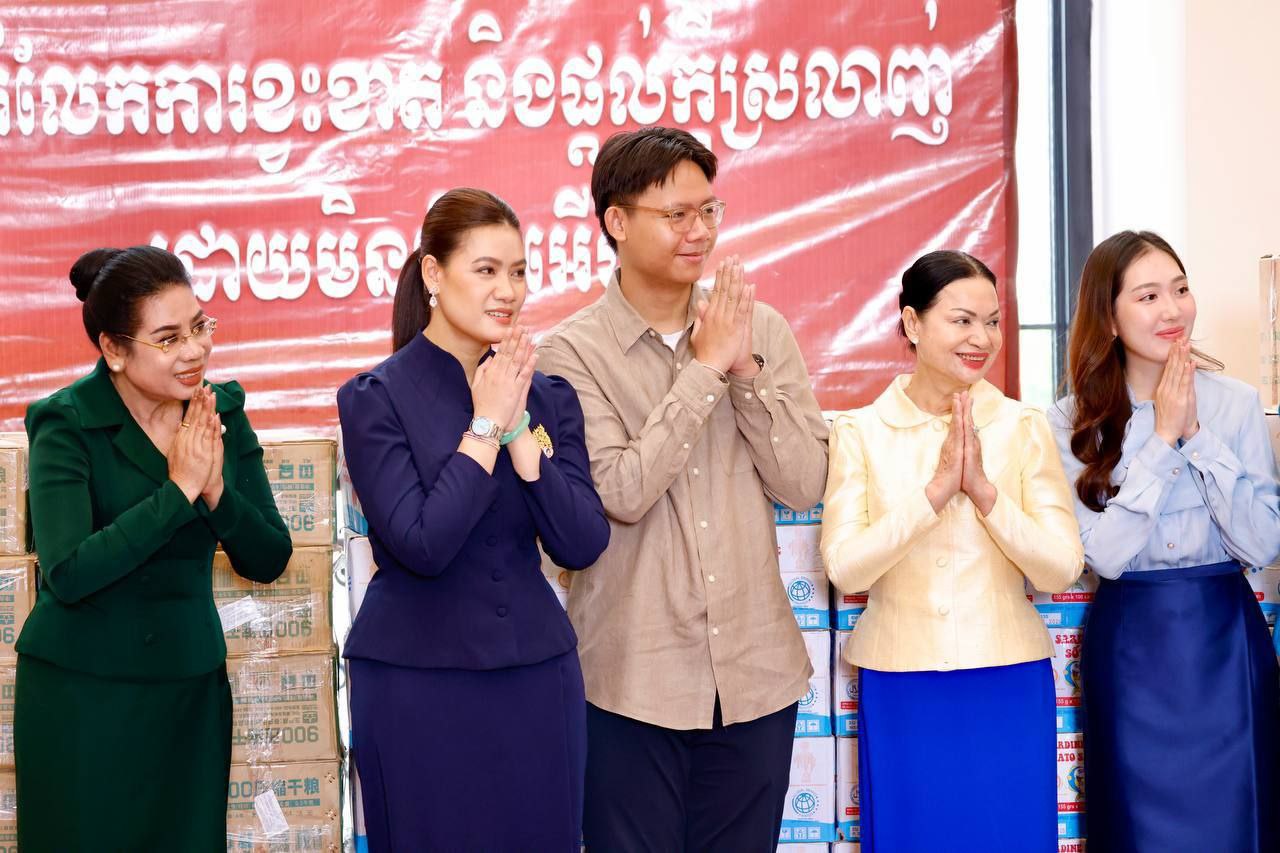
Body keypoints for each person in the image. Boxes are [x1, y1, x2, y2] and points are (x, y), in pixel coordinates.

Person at [536, 126, 829, 851]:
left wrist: (745, 369)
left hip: (755, 676)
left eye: (709, 211)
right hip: (631, 682)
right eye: (676, 215)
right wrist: (704, 369)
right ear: (617, 221)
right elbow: (621, 490)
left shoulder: (760, 329)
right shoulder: (569, 353)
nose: (699, 231)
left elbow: (804, 481)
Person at [338, 188, 609, 851]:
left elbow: (581, 541)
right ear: (433, 274)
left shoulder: (548, 396)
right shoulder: (375, 398)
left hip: (536, 678)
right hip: (415, 684)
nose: (507, 290)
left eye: (518, 271)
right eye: (486, 270)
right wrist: (484, 426)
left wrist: (520, 433)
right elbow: (422, 544)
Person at [15, 246, 292, 850]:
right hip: (83, 694)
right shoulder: (66, 422)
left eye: (199, 327)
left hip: (188, 692)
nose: (194, 350)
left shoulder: (220, 411)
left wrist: (217, 493)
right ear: (114, 349)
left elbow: (270, 557)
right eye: (168, 339)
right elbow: (69, 571)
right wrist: (178, 492)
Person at [820, 250, 1083, 852]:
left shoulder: (1022, 426)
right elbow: (845, 568)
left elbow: (1060, 567)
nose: (981, 339)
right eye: (962, 320)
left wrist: (986, 495)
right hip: (904, 682)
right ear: (912, 323)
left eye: (992, 322)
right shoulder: (860, 431)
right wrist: (934, 494)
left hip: (1007, 678)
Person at [1049, 230, 1280, 853]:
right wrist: (1161, 442)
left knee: (1239, 823)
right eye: (1148, 296)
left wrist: (1196, 436)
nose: (1172, 310)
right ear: (1109, 318)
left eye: (1180, 289)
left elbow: (1261, 544)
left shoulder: (1236, 404)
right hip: (1132, 647)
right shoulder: (1070, 421)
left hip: (1224, 641)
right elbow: (1104, 556)